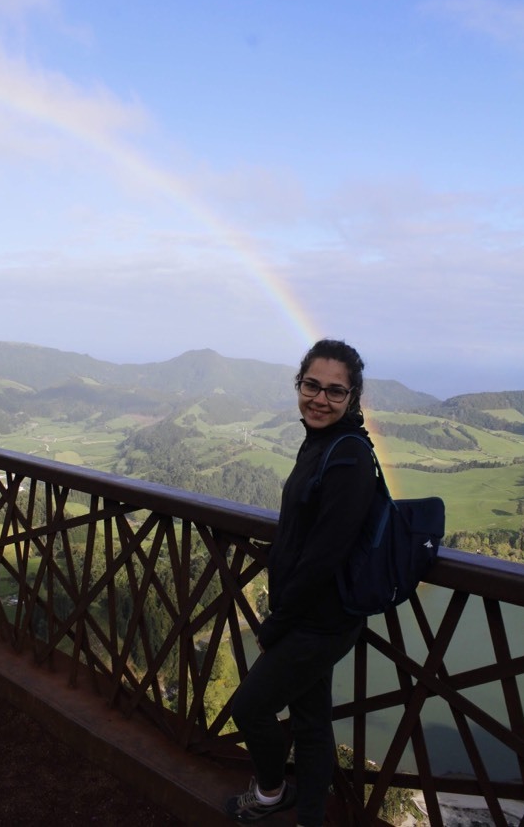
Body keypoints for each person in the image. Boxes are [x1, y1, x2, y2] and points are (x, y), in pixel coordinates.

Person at [225, 339, 377, 827]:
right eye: (312, 385)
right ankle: (310, 816)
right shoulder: (321, 443)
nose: (320, 398)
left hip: (320, 620)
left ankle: (271, 792)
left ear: (352, 398)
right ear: (299, 384)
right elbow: (303, 532)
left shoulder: (349, 457)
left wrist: (276, 625)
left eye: (335, 391)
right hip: (309, 612)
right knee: (311, 722)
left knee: (249, 708)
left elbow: (324, 557)